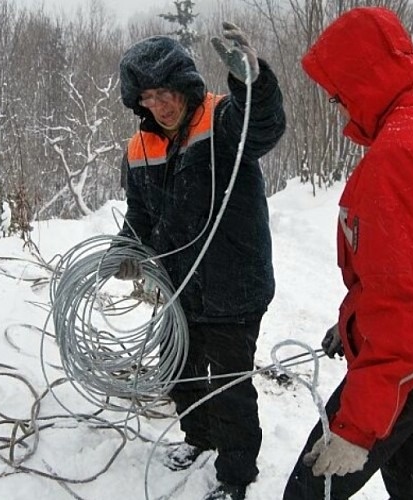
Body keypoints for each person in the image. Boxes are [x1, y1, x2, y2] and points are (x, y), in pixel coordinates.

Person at [283, 7, 413, 500]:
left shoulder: (395, 158)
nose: (339, 111)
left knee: (307, 493)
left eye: (338, 97)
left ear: (362, 81)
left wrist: (355, 430)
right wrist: (353, 324)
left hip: (411, 370)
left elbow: (401, 306)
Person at [112, 22, 286, 500]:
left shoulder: (223, 120)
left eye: (166, 92)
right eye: (147, 97)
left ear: (184, 85)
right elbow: (141, 216)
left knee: (229, 385)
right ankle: (198, 439)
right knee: (181, 374)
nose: (159, 105)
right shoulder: (138, 148)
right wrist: (125, 248)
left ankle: (236, 474)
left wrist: (254, 82)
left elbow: (264, 124)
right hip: (179, 288)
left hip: (235, 285)